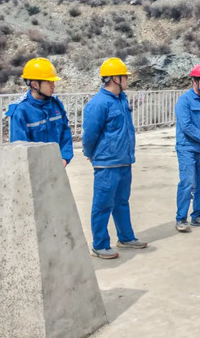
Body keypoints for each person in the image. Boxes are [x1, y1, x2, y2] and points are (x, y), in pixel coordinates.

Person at [82, 57, 147, 259]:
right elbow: (89, 135)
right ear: (114, 79)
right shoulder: (99, 103)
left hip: (124, 160)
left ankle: (126, 237)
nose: (127, 79)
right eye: (124, 76)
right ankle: (100, 245)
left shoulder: (122, 99)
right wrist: (90, 154)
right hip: (107, 163)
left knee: (121, 202)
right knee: (102, 205)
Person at [6, 57, 73, 168]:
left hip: (57, 167)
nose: (53, 85)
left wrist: (64, 158)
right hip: (34, 171)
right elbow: (19, 148)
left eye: (53, 81)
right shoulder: (21, 111)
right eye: (48, 82)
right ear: (35, 85)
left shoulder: (56, 104)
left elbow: (65, 132)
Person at [174, 63, 200, 233]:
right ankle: (181, 218)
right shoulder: (184, 100)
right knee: (187, 182)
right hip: (187, 148)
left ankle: (198, 214)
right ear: (194, 80)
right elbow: (186, 126)